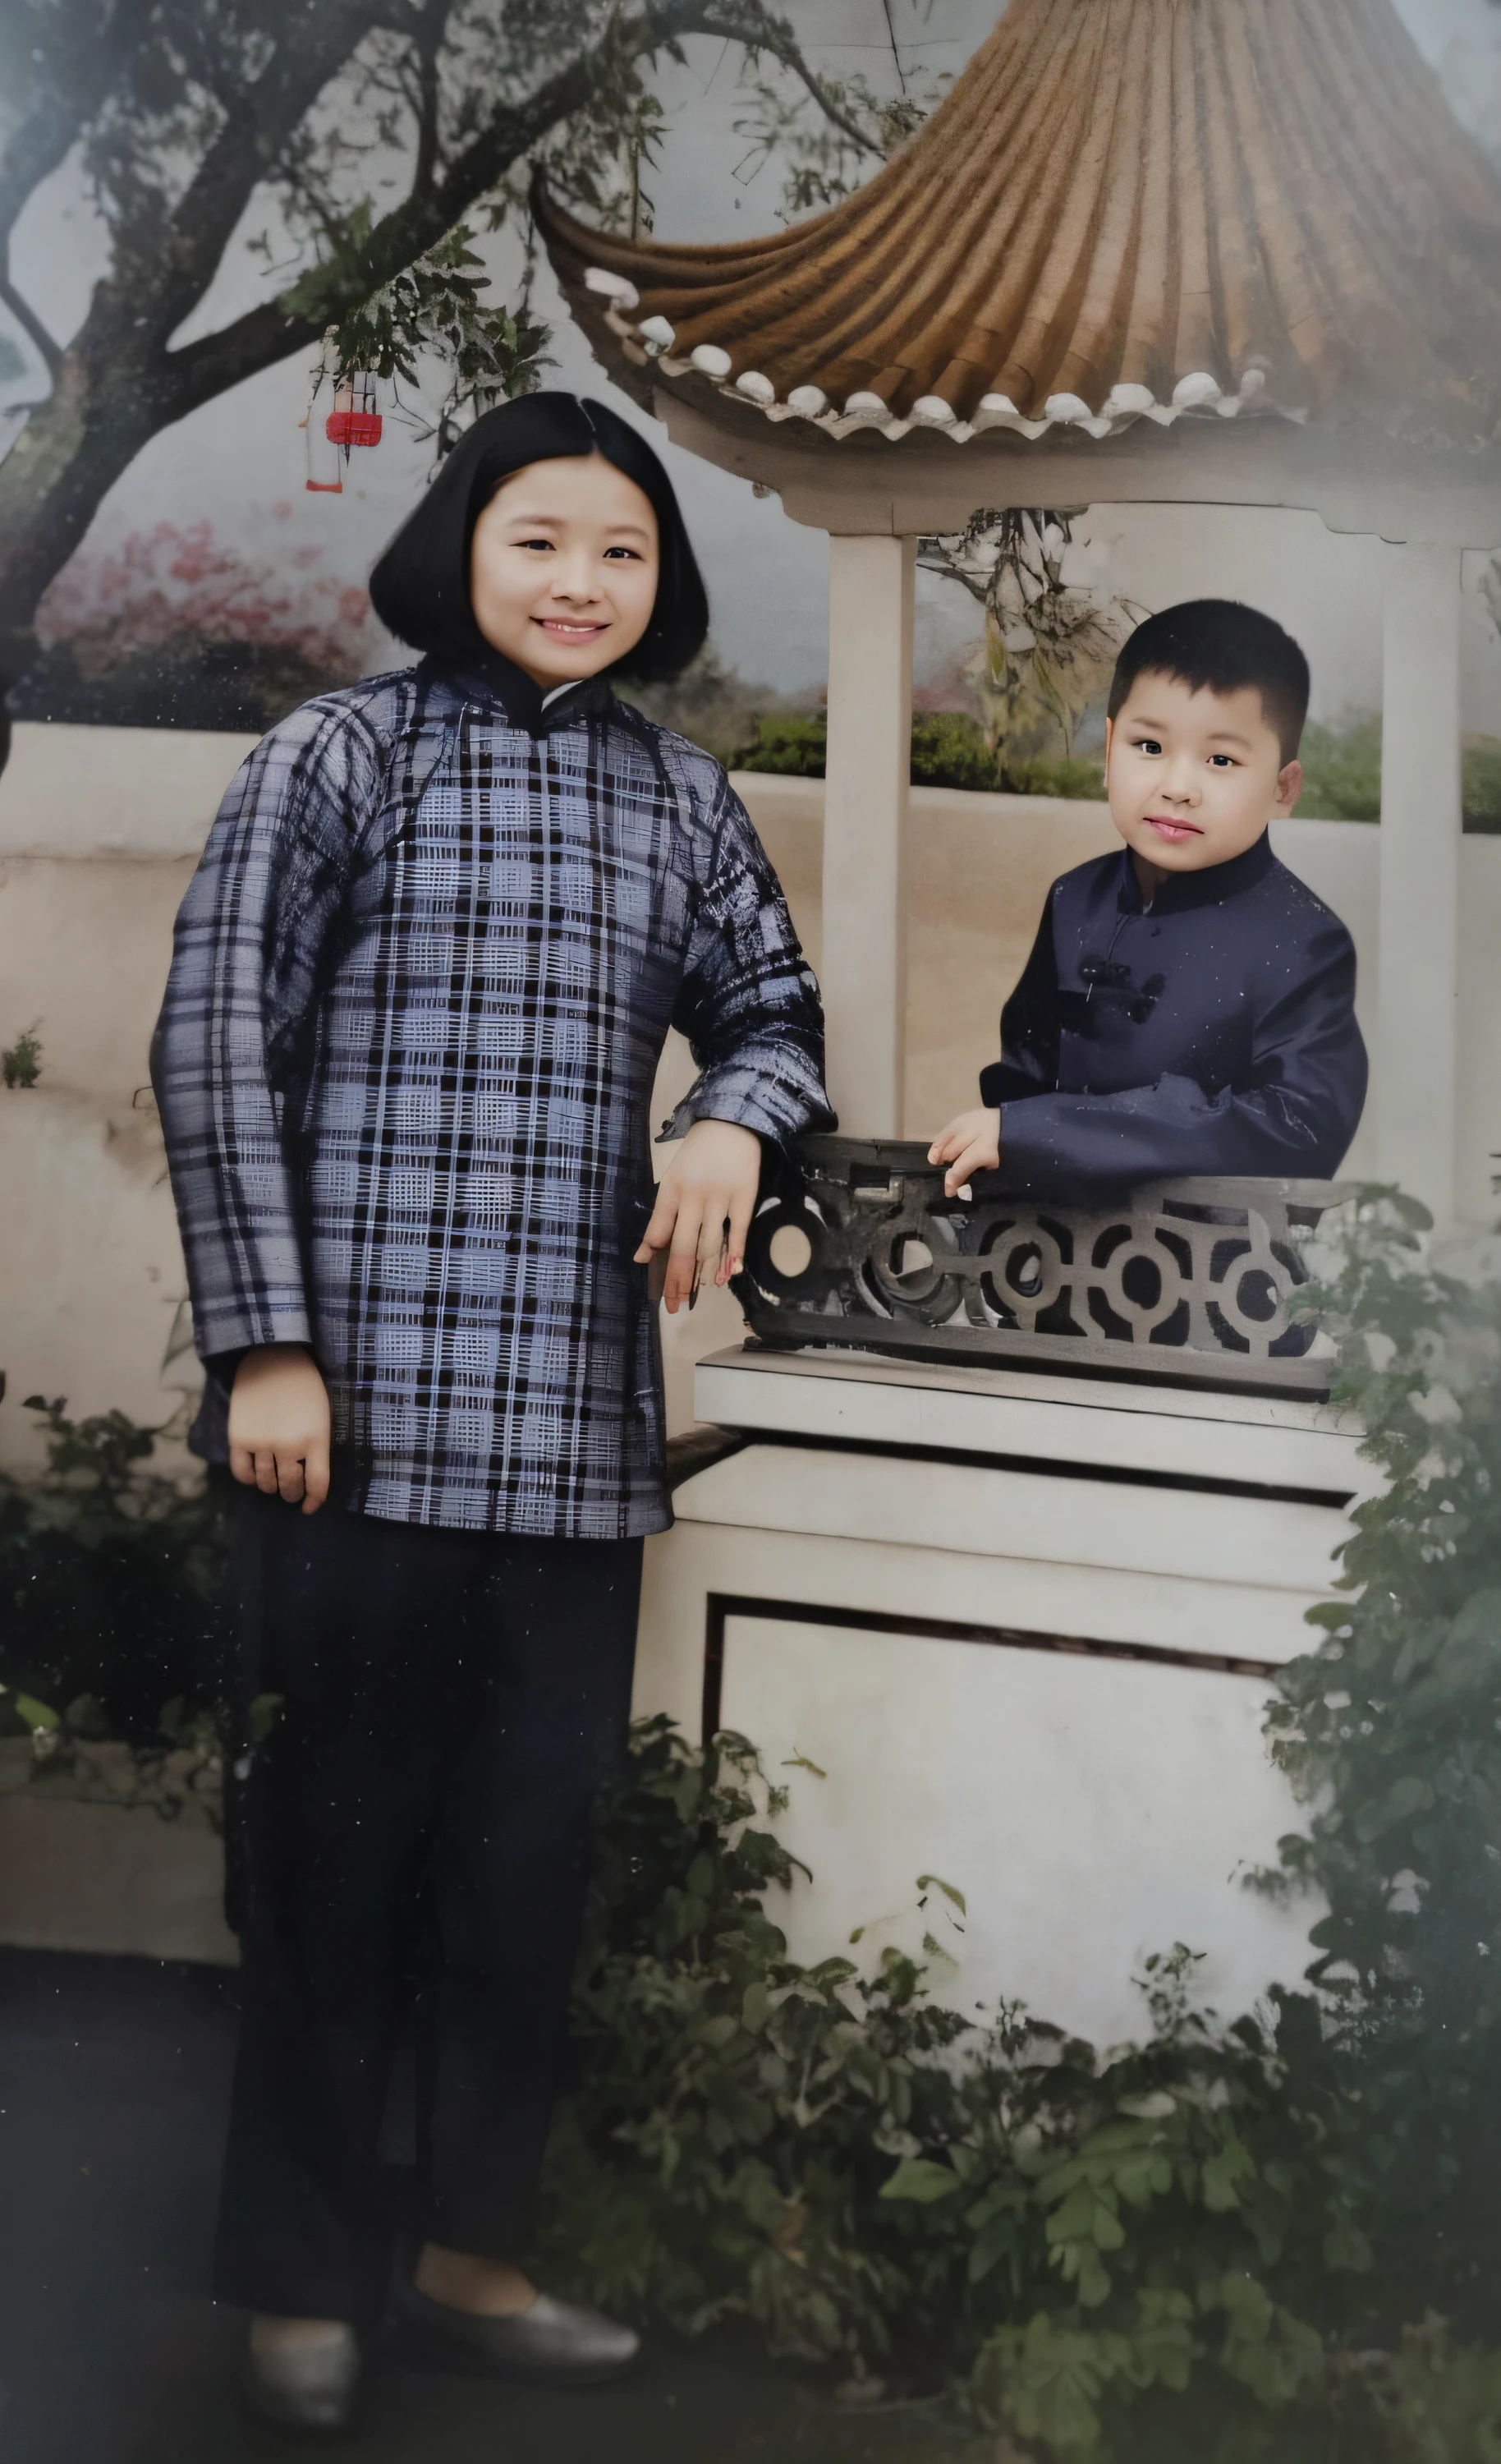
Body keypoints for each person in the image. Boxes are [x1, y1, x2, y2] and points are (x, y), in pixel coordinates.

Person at [150, 391, 833, 2436]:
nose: (579, 584)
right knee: (329, 1868)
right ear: (462, 545)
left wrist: (729, 1114)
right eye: (543, 540)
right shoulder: (333, 759)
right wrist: (265, 1344)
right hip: (339, 1425)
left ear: (659, 585)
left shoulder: (684, 800)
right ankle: (296, 2281)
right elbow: (210, 1050)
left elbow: (783, 1021)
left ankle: (472, 2252)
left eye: (621, 553)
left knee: (525, 1876)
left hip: (568, 1442)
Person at [927, 599, 1368, 1198]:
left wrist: (1039, 1132)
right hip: (1050, 1254)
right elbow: (1024, 1075)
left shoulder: (1306, 941)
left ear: (1283, 789)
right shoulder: (1075, 897)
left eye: (1220, 759)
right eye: (1150, 747)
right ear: (1108, 751)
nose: (1178, 788)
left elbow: (1295, 1126)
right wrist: (1005, 1137)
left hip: (1215, 1270)